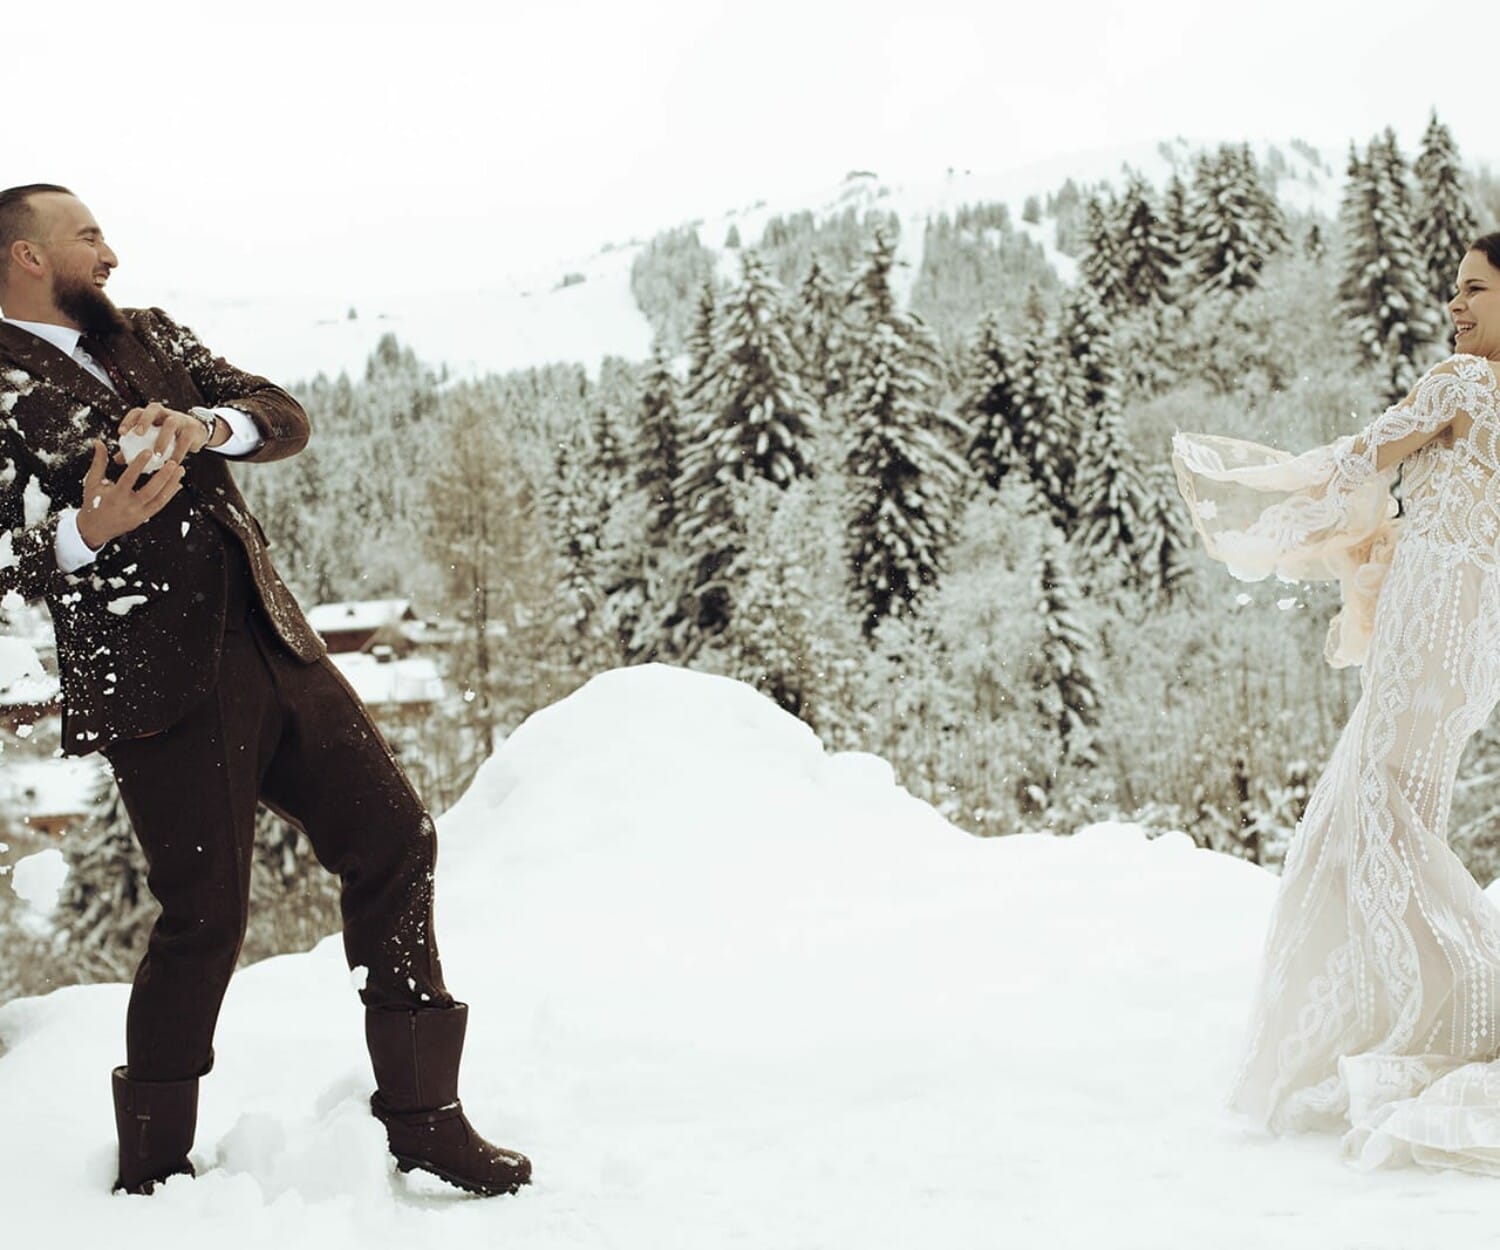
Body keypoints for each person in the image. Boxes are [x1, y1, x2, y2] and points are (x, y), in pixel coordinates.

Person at [0, 184, 531, 1198]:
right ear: (27, 257)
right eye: (88, 235)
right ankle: (153, 1173)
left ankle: (423, 1115)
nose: (110, 251)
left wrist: (204, 427)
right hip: (152, 676)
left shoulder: (150, 334)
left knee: (396, 835)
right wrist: (83, 533)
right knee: (204, 916)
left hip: (277, 641)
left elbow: (282, 415)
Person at [1171, 232, 1500, 1172]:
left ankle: (1463, 993)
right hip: (1477, 637)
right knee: (1403, 809)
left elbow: (1360, 458)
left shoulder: (1466, 384)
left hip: (1436, 612)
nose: (1454, 305)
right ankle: (1389, 1017)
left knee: (1375, 810)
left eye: (1474, 287)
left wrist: (1250, 500)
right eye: (1450, 289)